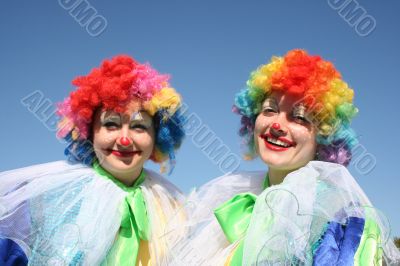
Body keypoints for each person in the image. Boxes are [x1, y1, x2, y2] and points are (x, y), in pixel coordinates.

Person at [175, 49, 400, 265]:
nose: (277, 125)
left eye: (300, 117)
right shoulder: (235, 196)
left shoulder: (339, 220)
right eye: (269, 110)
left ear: (324, 137)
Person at [0, 55, 186, 265]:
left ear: (158, 137)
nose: (124, 140)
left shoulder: (174, 208)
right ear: (89, 132)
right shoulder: (48, 199)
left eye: (139, 126)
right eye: (111, 124)